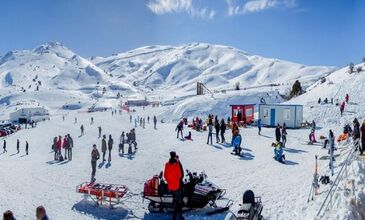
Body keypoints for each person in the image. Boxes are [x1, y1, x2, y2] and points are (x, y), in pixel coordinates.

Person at [164, 151, 183, 220]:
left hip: (170, 186)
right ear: (175, 156)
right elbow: (180, 175)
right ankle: (177, 216)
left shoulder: (167, 164)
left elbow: (165, 175)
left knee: (174, 199)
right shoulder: (176, 164)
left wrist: (170, 180)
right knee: (178, 201)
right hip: (176, 186)